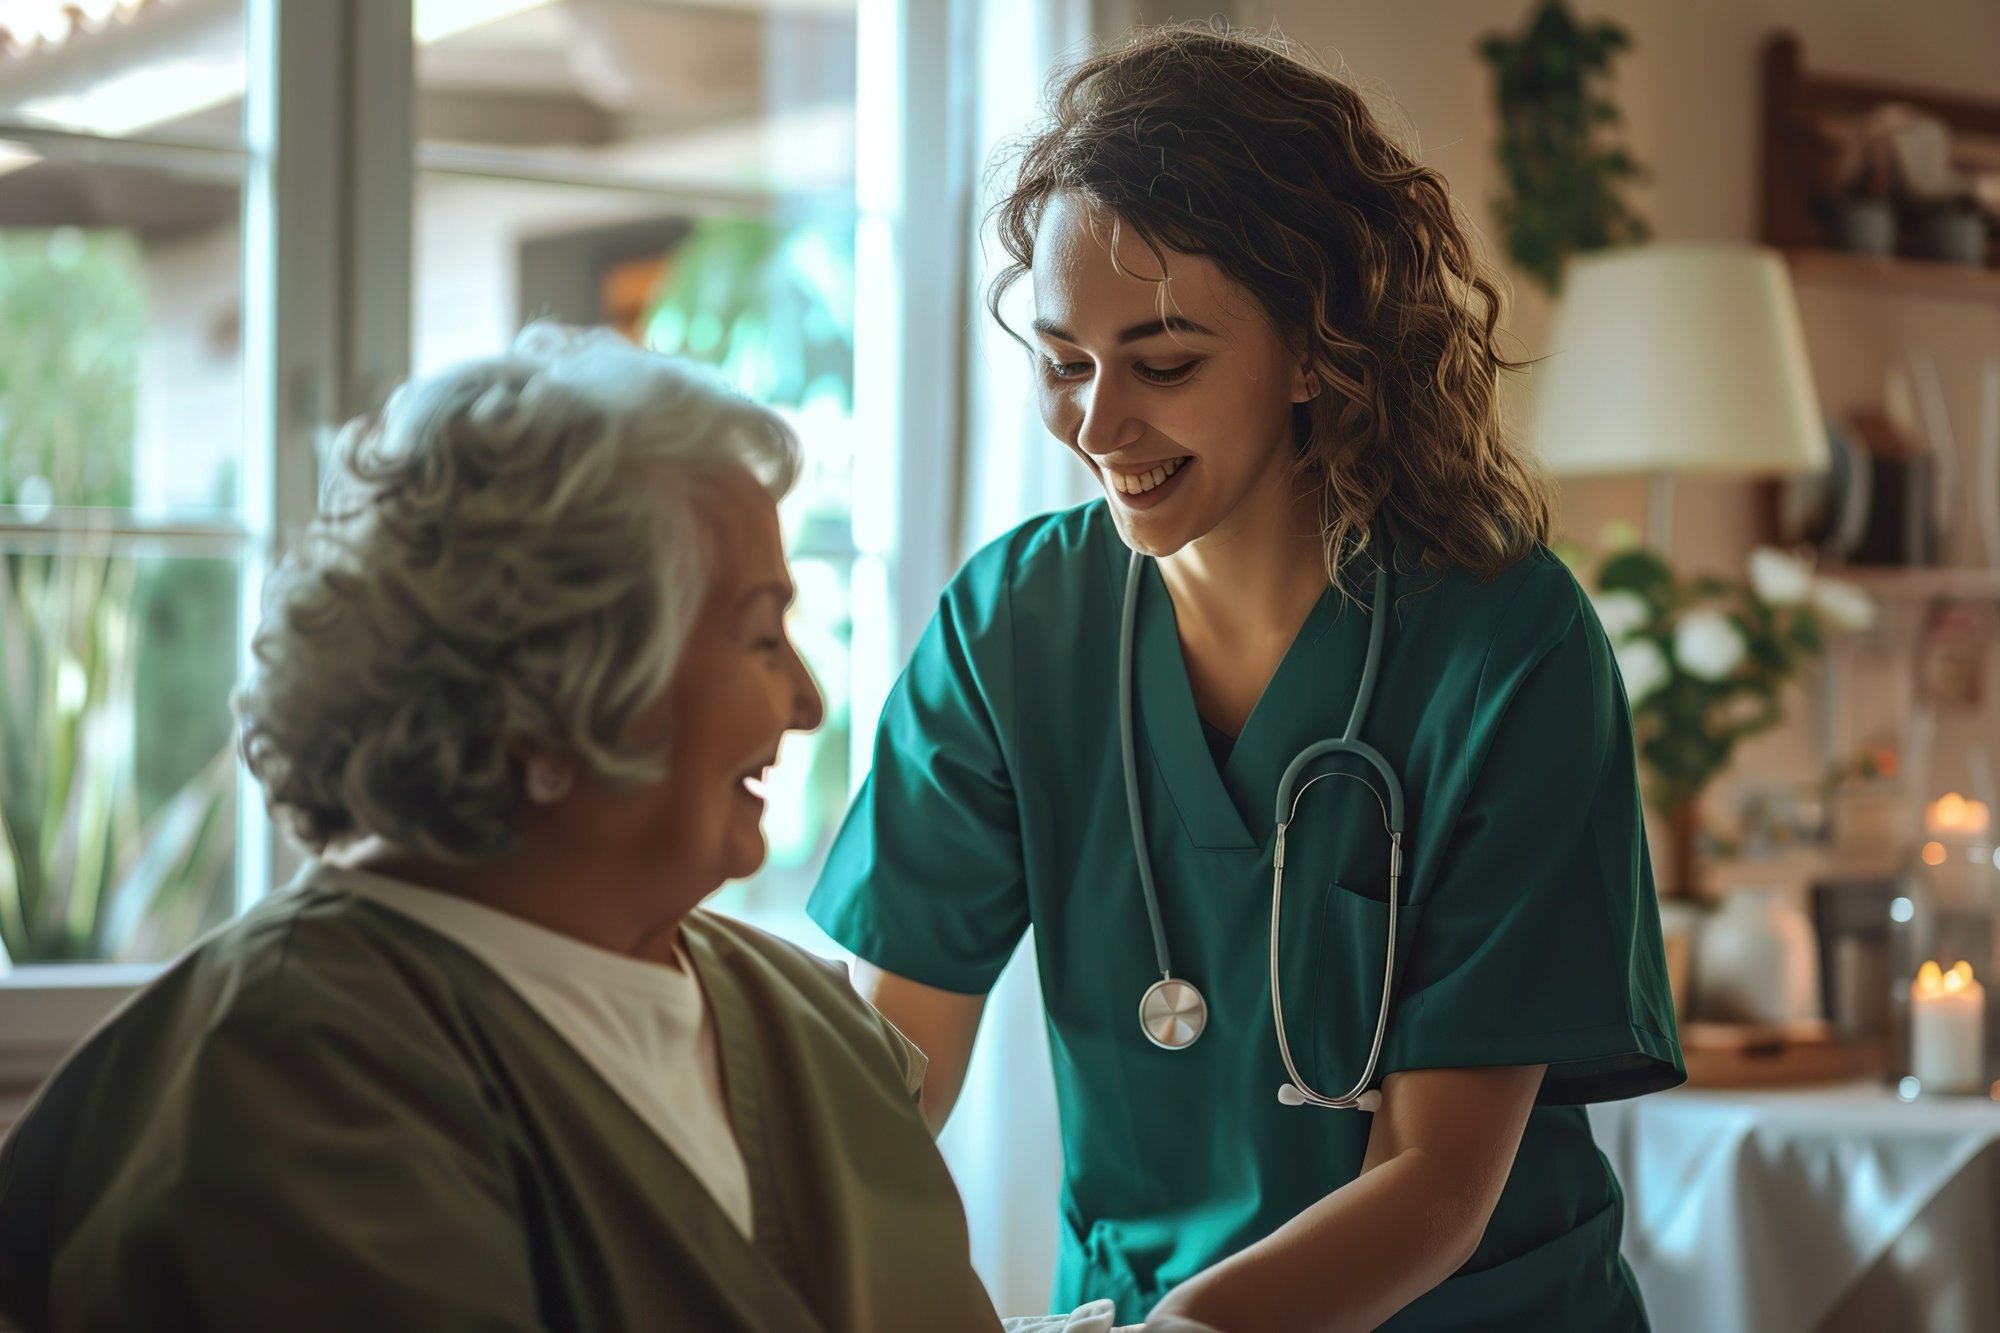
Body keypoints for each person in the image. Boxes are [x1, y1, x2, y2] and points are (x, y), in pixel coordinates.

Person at [807, 25, 1685, 1333]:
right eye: (1063, 363)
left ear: (1320, 346)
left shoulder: (1509, 648)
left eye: (1164, 364)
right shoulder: (1012, 630)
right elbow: (896, 1073)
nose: (1098, 428)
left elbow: (1440, 1178)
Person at [0, 327, 1008, 1332]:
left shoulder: (800, 1012)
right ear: (549, 694)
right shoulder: (290, 1072)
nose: (806, 700)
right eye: (755, 636)